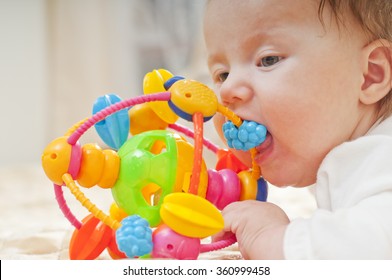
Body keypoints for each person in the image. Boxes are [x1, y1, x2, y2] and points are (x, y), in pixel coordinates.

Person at [203, 0, 392, 259]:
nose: (226, 91)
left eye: (267, 60)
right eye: (222, 75)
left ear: (370, 74)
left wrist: (273, 240)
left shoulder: (381, 159)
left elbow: (371, 251)